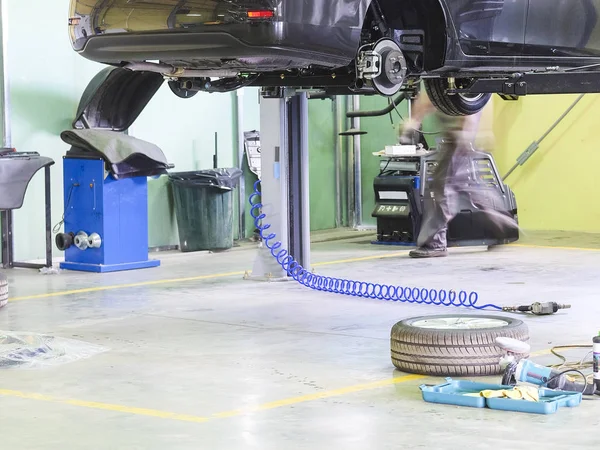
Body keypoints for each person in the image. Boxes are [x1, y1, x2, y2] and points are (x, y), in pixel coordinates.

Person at [397, 91, 518, 258]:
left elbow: (478, 99)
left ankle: (435, 244)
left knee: (442, 189)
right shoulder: (441, 80)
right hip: (458, 135)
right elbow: (429, 98)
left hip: (458, 136)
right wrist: (414, 120)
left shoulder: (464, 77)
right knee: (467, 188)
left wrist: (468, 129)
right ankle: (502, 226)